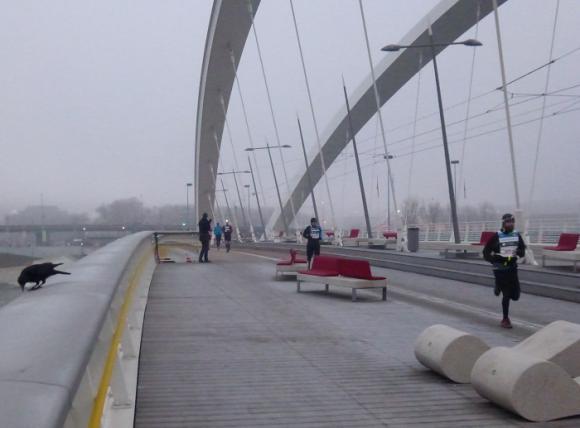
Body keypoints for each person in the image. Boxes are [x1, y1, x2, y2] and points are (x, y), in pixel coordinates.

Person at [483, 213, 526, 329]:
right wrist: (494, 261)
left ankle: (498, 285)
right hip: (500, 268)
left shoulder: (517, 235)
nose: (510, 224)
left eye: (512, 222)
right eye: (508, 222)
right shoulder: (496, 236)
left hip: (512, 267)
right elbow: (486, 252)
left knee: (516, 295)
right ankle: (505, 319)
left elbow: (522, 250)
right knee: (506, 294)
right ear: (503, 223)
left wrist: (519, 253)